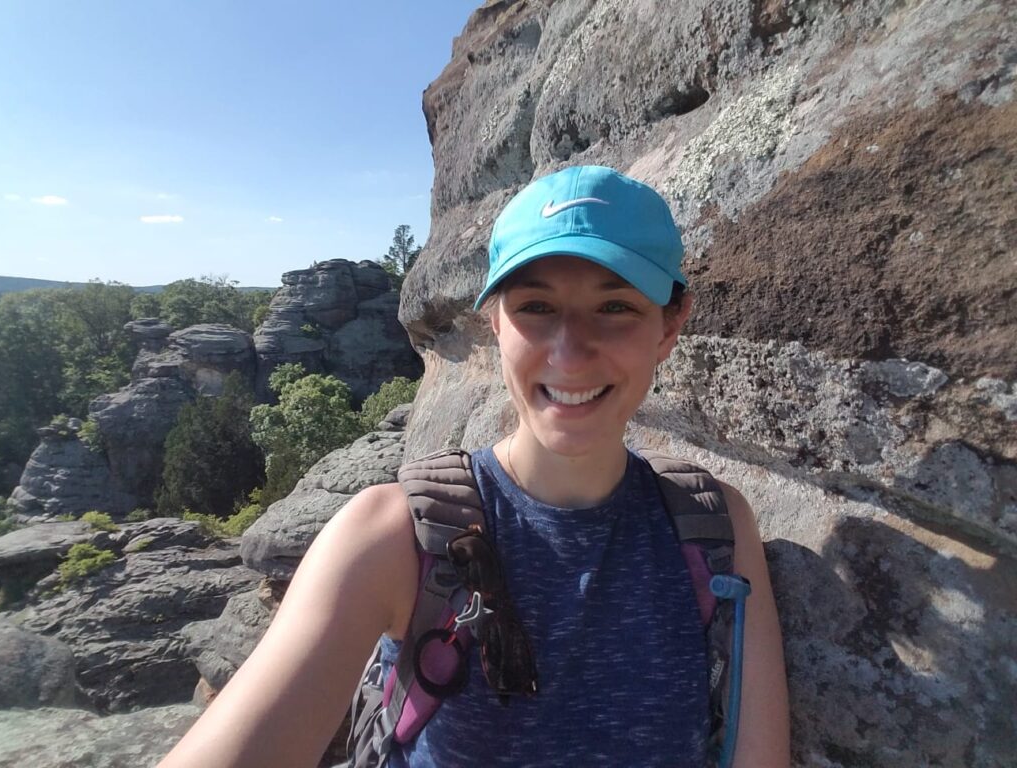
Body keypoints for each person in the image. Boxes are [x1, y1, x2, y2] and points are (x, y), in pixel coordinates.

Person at [158, 166, 790, 768]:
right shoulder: (392, 537)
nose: (569, 353)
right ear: (492, 324)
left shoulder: (714, 529)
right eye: (535, 307)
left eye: (615, 307)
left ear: (669, 326)